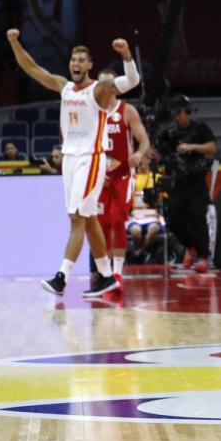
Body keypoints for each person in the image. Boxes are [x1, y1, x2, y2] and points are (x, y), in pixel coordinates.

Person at [7, 28, 139, 297]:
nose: (76, 64)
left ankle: (62, 277)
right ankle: (105, 276)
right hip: (69, 159)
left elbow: (133, 81)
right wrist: (14, 43)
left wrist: (126, 55)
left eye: (81, 61)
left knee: (77, 218)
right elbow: (31, 68)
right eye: (73, 60)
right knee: (89, 218)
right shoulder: (64, 87)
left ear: (90, 65)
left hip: (90, 158)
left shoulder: (99, 90)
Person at [94, 68, 151, 286]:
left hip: (123, 175)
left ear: (117, 87)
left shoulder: (127, 111)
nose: (106, 88)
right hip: (99, 176)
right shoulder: (92, 112)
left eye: (110, 84)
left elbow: (144, 141)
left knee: (117, 219)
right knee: (101, 224)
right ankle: (105, 271)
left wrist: (138, 154)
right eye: (102, 84)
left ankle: (117, 271)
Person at [158, 94, 217, 273]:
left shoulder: (200, 128)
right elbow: (163, 152)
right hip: (178, 181)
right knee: (173, 219)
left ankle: (203, 256)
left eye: (179, 113)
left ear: (187, 112)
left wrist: (192, 147)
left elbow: (212, 148)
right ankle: (188, 246)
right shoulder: (168, 132)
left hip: (197, 181)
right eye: (174, 114)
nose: (177, 117)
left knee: (197, 217)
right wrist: (155, 155)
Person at [127, 155, 166, 262]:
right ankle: (142, 251)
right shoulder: (132, 178)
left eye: (147, 158)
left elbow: (164, 196)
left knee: (153, 230)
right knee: (135, 232)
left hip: (152, 215)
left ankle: (139, 252)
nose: (144, 161)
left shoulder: (156, 177)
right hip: (135, 215)